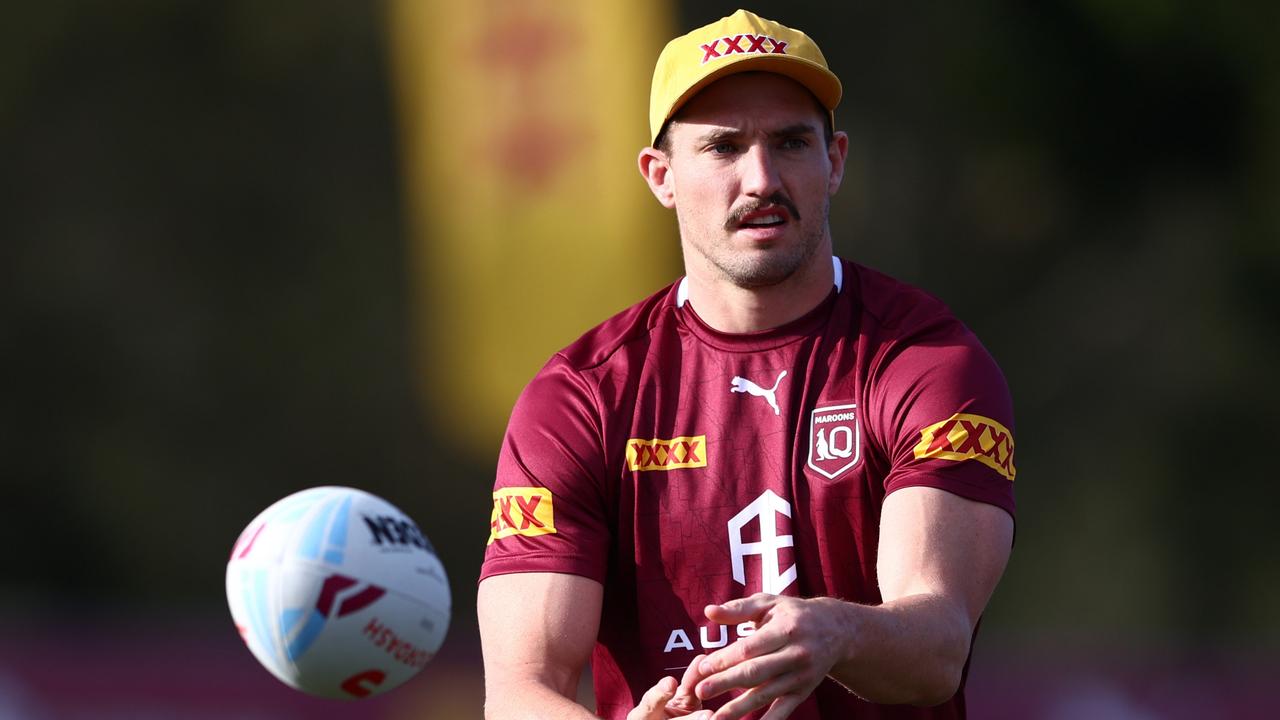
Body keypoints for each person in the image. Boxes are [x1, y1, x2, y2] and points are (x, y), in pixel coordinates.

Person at [477, 9, 1016, 720]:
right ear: (661, 176)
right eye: (724, 148)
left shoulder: (926, 360)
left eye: (791, 142)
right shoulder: (579, 398)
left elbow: (938, 648)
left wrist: (838, 631)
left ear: (837, 161)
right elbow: (520, 692)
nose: (761, 178)